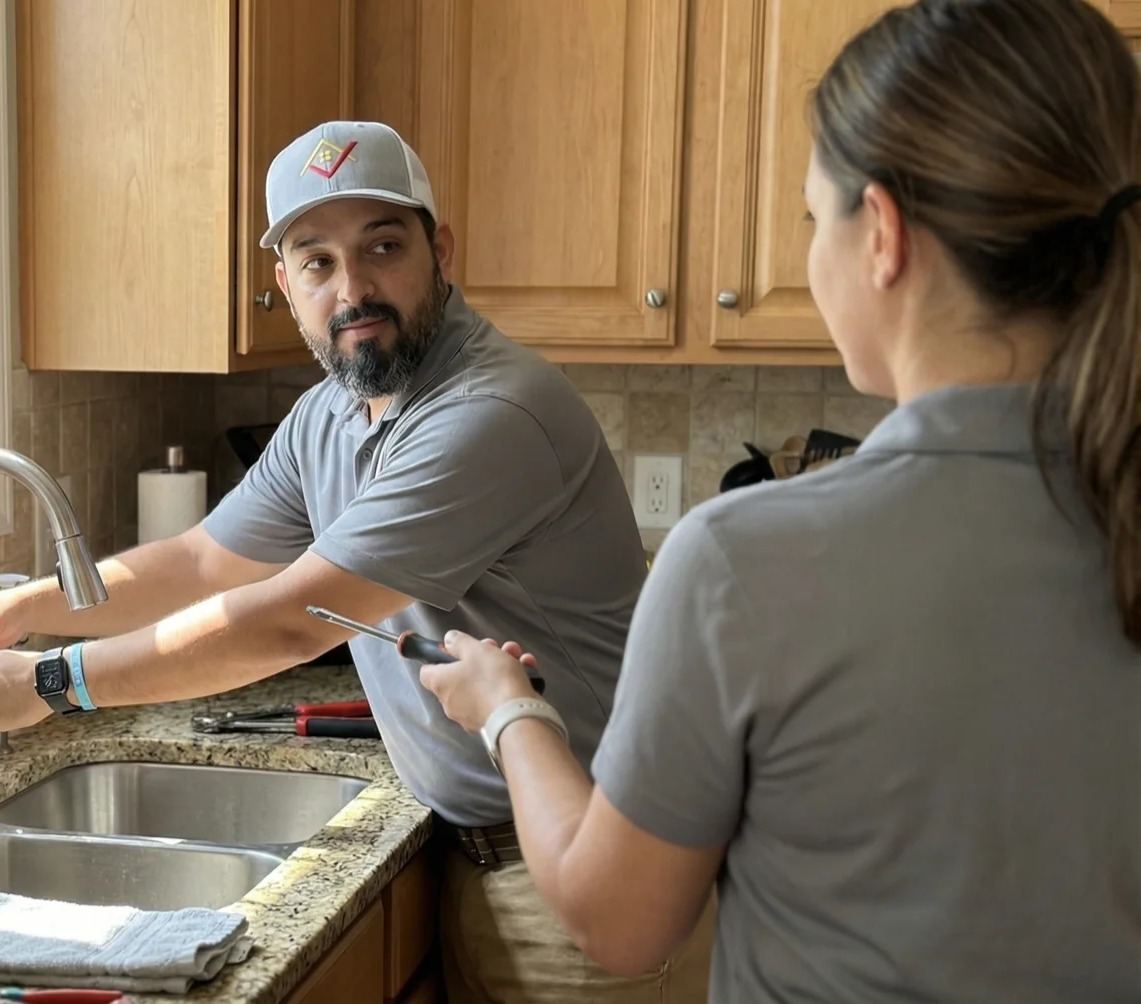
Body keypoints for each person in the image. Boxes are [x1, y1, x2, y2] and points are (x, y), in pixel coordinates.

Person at [414, 1, 1141, 1002]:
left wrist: (506, 709)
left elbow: (617, 918)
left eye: (813, 216)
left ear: (880, 231)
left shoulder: (743, 564)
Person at [0, 120, 715, 1002]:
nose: (354, 288)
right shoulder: (332, 414)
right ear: (285, 285)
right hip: (488, 852)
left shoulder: (490, 413)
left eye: (382, 246)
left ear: (439, 249)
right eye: (318, 261)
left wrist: (49, 681)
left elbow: (286, 619)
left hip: (585, 876)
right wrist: (34, 604)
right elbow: (203, 560)